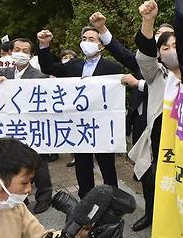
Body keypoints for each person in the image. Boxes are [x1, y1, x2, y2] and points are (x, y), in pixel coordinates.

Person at [37, 12, 141, 199]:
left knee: (106, 165)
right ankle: (86, 198)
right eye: (84, 38)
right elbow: (48, 68)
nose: (87, 41)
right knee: (83, 165)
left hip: (101, 125)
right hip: (79, 125)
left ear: (101, 45)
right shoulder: (72, 65)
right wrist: (44, 45)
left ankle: (112, 198)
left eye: (91, 39)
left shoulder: (112, 68)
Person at [0, 38, 54, 214]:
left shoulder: (39, 75)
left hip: (32, 125)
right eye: (17, 49)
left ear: (31, 55)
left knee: (38, 162)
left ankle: (45, 196)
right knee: (14, 162)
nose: (21, 53)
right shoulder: (2, 72)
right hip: (10, 126)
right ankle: (18, 197)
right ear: (10, 52)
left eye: (25, 51)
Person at [129, 0, 181, 231]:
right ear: (159, 53)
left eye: (175, 44)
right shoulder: (156, 74)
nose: (171, 50)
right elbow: (145, 56)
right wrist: (148, 21)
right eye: (165, 47)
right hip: (159, 141)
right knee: (152, 180)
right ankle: (151, 215)